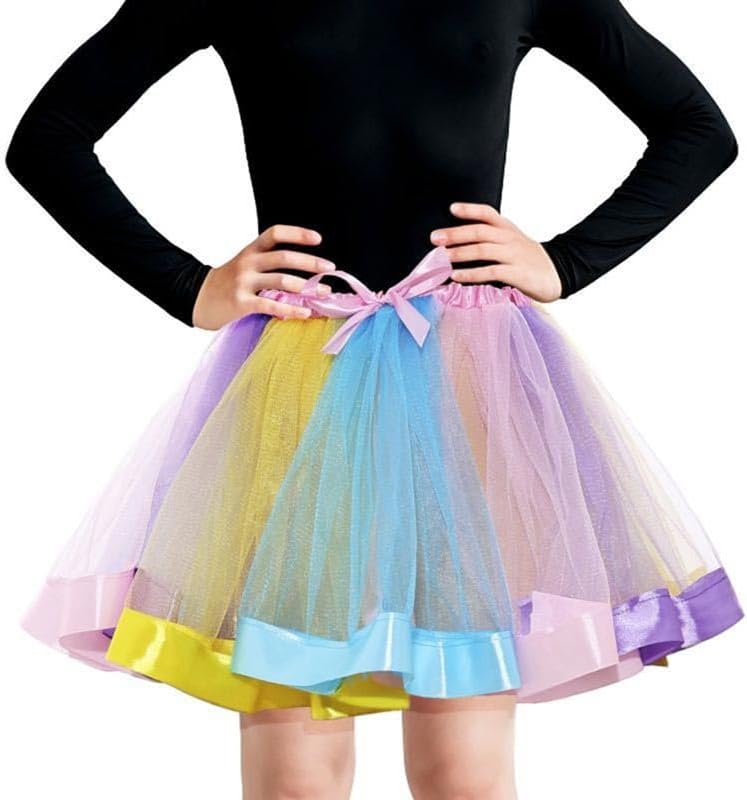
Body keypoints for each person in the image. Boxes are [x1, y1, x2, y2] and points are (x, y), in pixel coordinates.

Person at [6, 1, 743, 798]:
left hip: (466, 375)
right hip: (303, 364)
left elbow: (696, 129)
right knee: (296, 771)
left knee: (464, 769)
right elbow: (49, 138)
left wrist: (567, 262)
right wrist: (188, 286)